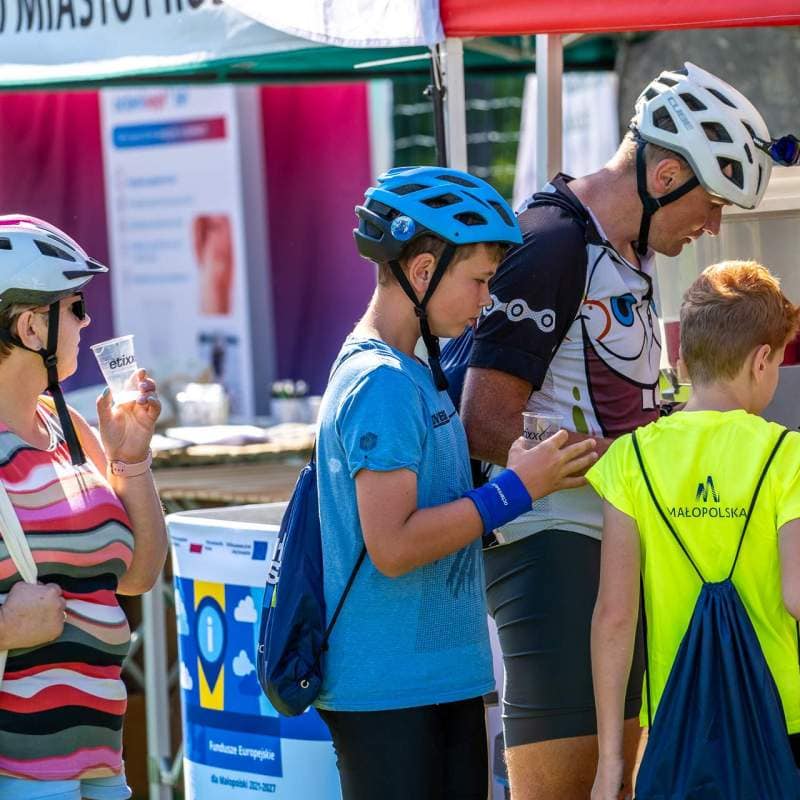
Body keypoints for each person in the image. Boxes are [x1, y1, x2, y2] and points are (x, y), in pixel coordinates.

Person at [460, 63, 775, 799]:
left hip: (612, 552)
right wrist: (633, 466)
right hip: (550, 550)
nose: (714, 226)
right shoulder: (548, 243)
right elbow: (485, 421)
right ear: (664, 173)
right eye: (711, 200)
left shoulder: (626, 251)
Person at [312, 166, 597, 800]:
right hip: (390, 691)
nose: (487, 300)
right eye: (479, 281)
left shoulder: (417, 370)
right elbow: (393, 544)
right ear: (421, 274)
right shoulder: (381, 383)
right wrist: (518, 489)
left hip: (440, 681)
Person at [588, 260, 800, 798]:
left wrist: (612, 760)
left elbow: (615, 618)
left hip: (677, 726)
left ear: (680, 358)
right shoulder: (787, 455)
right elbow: (796, 596)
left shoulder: (631, 458)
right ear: (761, 361)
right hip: (783, 721)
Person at [0, 215, 167, 800]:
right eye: (75, 307)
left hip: (99, 760)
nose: (87, 321)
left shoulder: (66, 426)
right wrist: (5, 627)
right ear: (30, 326)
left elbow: (139, 575)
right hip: (16, 773)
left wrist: (132, 460)